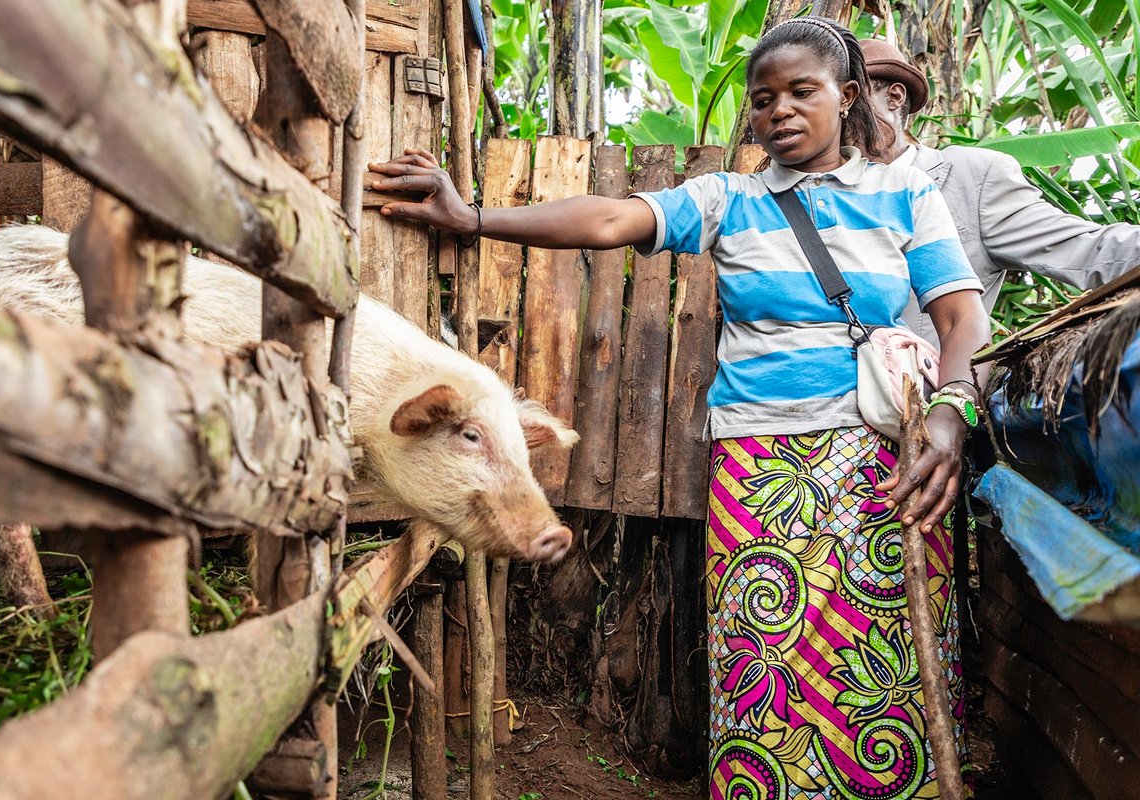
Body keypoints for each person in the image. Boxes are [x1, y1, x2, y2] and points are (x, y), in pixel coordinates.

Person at [370, 17, 992, 797]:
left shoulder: (907, 192)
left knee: (884, 659)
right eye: (763, 100)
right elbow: (607, 218)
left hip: (881, 461)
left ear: (848, 94)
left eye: (803, 92)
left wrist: (952, 412)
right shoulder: (729, 199)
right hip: (760, 464)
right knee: (765, 655)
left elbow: (961, 316)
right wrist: (474, 220)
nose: (780, 112)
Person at [861, 37, 1140, 345]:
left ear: (895, 96)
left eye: (851, 95)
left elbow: (1086, 250)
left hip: (927, 388)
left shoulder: (970, 180)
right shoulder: (807, 190)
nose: (839, 111)